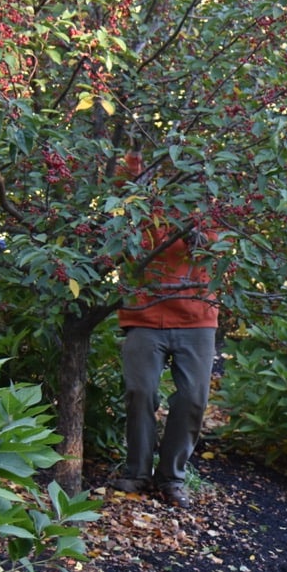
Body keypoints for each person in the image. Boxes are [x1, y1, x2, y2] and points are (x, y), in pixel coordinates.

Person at [109, 152, 220, 509]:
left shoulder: (206, 198)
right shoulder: (140, 198)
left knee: (193, 399)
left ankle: (171, 477)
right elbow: (119, 193)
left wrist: (198, 226)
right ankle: (137, 471)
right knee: (141, 392)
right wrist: (135, 156)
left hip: (197, 316)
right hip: (144, 314)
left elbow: (217, 247)